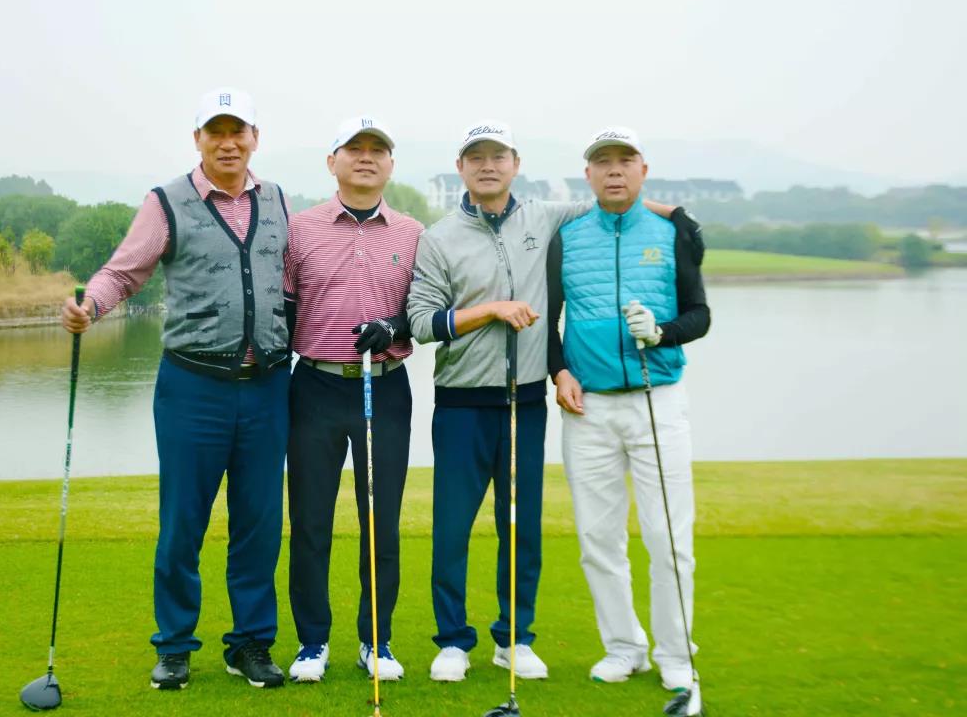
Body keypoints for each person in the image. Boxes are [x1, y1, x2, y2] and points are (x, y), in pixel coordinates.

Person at [406, 120, 695, 683]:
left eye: (498, 156)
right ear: (460, 168)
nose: (487, 166)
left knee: (521, 527)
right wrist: (491, 309)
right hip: (462, 401)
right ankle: (453, 641)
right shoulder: (438, 237)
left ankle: (514, 638)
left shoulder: (547, 217)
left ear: (515, 165)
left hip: (526, 400)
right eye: (475, 157)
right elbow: (421, 323)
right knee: (452, 528)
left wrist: (679, 216)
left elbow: (615, 203)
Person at [61, 87, 290, 691]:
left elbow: (295, 281)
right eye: (216, 132)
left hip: (268, 386)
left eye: (238, 131)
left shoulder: (278, 200)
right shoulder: (167, 201)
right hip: (194, 388)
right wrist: (90, 306)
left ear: (255, 138)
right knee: (183, 523)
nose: (228, 143)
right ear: (198, 140)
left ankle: (250, 644)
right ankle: (175, 646)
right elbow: (124, 271)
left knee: (259, 524)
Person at [547, 126, 710, 691]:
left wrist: (662, 332)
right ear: (588, 175)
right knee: (598, 540)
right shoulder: (567, 238)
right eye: (603, 162)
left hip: (657, 401)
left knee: (668, 538)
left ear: (643, 170)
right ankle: (623, 647)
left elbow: (700, 314)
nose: (614, 170)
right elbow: (549, 319)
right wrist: (559, 372)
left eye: (625, 160)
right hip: (588, 408)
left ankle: (676, 654)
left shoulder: (671, 233)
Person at [282, 116, 422, 683]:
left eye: (377, 150)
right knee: (310, 521)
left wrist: (394, 326)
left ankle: (375, 641)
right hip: (315, 386)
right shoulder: (300, 229)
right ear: (332, 161)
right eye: (354, 148)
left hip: (384, 387)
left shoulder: (413, 233)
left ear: (390, 164)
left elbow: (422, 310)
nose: (366, 157)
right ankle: (312, 642)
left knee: (380, 522)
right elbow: (284, 307)